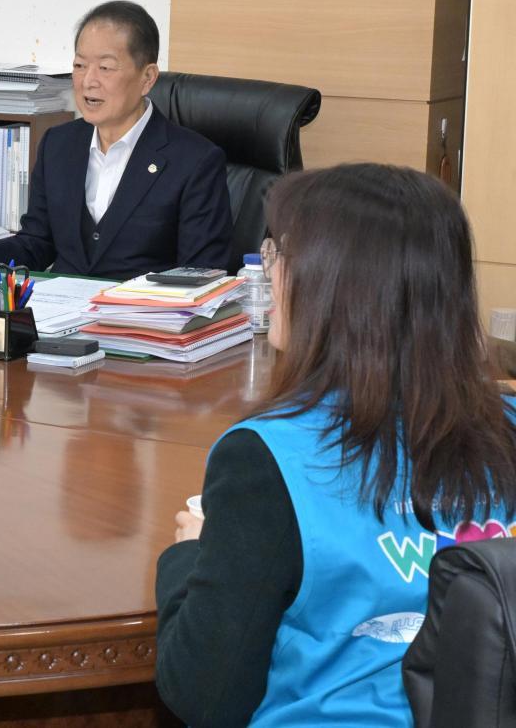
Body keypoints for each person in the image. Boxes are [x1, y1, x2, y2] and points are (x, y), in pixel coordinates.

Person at [155, 164, 516, 726]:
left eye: (277, 255)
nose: (267, 272)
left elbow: (206, 697)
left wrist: (190, 556)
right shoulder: (507, 426)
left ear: (334, 287)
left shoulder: (268, 459)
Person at [0, 1, 234, 281]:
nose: (88, 80)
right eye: (80, 65)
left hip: (141, 327)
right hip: (58, 322)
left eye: (105, 68)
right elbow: (37, 244)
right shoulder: (58, 144)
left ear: (147, 77)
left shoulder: (195, 161)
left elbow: (200, 275)